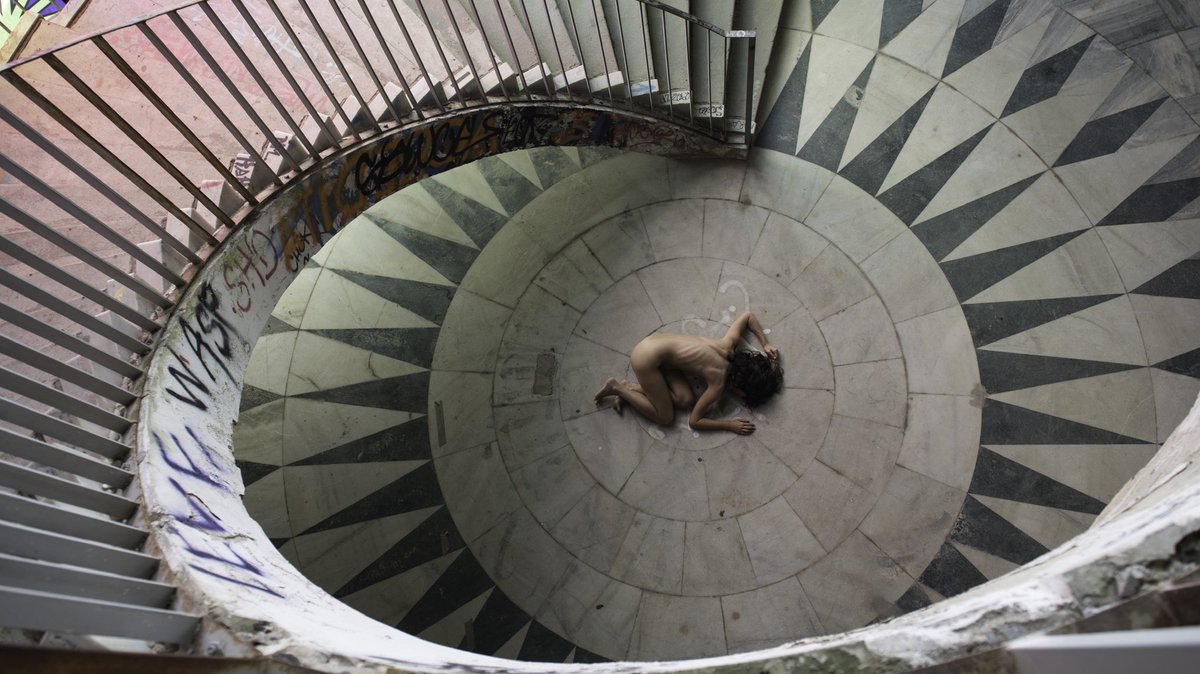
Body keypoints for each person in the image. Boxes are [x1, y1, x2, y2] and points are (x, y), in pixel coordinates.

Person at [594, 311, 782, 435]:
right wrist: (729, 425)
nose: (739, 397)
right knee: (665, 417)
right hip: (645, 360)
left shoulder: (728, 346)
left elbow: (747, 316)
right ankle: (617, 388)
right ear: (741, 389)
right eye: (742, 395)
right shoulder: (718, 382)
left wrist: (765, 343)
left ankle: (630, 387)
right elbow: (695, 421)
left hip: (657, 347)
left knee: (685, 400)